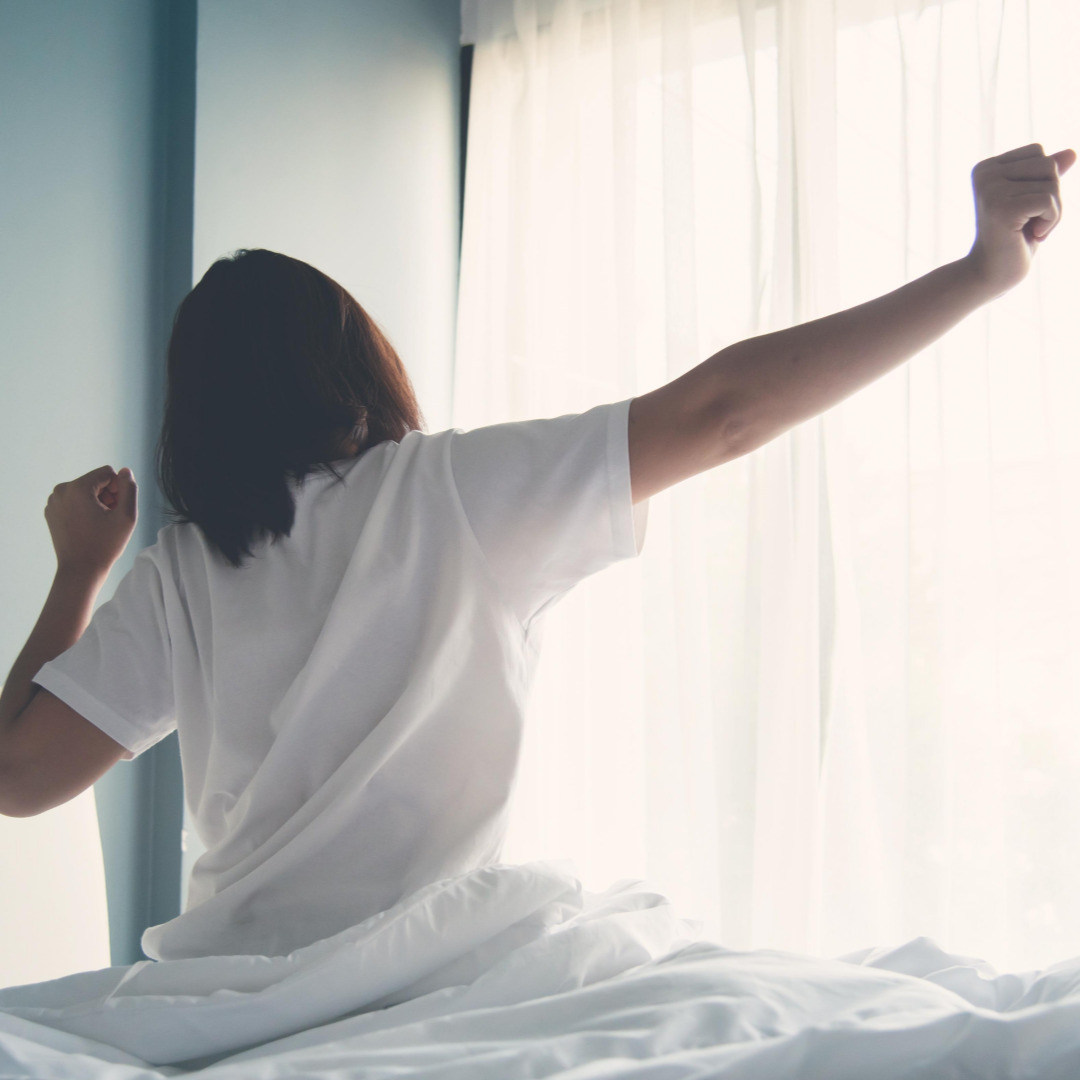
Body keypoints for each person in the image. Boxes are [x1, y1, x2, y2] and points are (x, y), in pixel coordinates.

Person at [0, 143, 1072, 960]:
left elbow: (17, 777)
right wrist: (978, 274)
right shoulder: (447, 490)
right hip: (433, 971)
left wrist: (79, 569)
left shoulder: (180, 572)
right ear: (356, 366)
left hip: (230, 989)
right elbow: (725, 412)